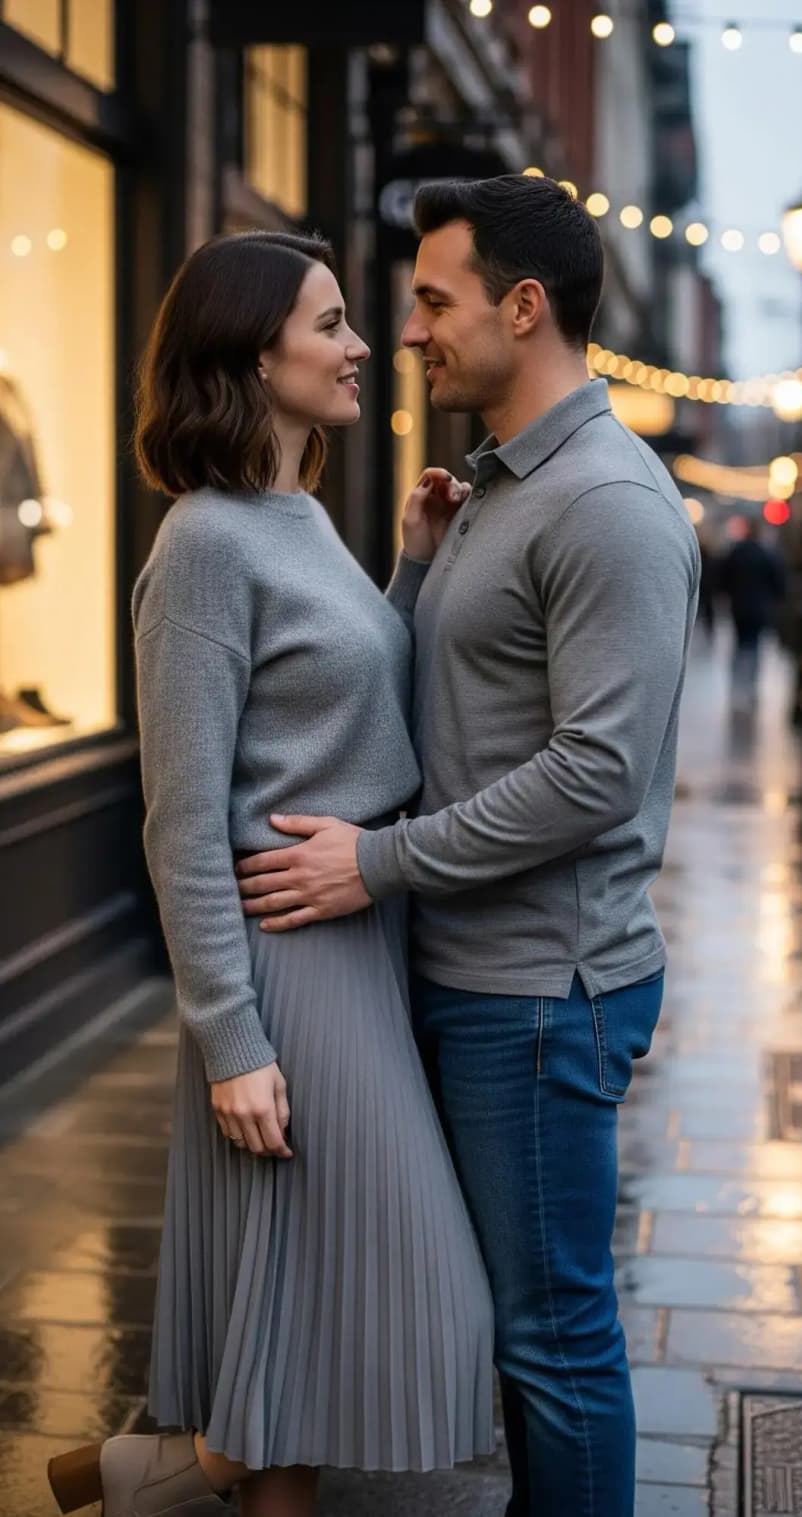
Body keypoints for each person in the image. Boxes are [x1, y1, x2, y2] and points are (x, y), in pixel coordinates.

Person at [236, 176, 701, 1517]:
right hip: (466, 975)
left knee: (554, 1342)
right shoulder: (497, 489)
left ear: (524, 305)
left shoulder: (609, 501)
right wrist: (421, 566)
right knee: (502, 1335)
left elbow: (598, 774)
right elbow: (461, 709)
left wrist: (373, 866)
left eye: (435, 300)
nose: (411, 330)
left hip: (541, 993)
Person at [46, 231, 494, 1517]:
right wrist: (231, 1036)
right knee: (421, 1292)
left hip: (357, 942)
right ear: (256, 353)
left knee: (293, 1339)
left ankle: (147, 1476)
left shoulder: (296, 518)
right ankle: (155, 1475)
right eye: (334, 321)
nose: (365, 345)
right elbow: (180, 820)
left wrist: (407, 567)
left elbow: (356, 721)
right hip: (285, 970)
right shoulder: (200, 548)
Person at [719, 517, 785, 700]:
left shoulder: (736, 552)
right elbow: (778, 582)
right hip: (759, 608)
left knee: (739, 644)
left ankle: (737, 683)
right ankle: (750, 684)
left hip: (738, 606)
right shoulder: (766, 554)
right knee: (754, 645)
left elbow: (722, 578)